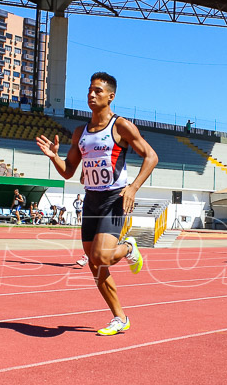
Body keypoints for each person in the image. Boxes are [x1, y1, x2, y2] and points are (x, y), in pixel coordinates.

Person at [36, 71, 158, 336]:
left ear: (111, 96)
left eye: (98, 91)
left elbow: (151, 156)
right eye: (90, 90)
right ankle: (120, 317)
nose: (91, 94)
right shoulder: (80, 132)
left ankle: (127, 247)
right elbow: (68, 171)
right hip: (91, 200)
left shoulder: (120, 126)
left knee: (101, 256)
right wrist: (53, 157)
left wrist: (133, 188)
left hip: (114, 198)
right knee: (95, 265)